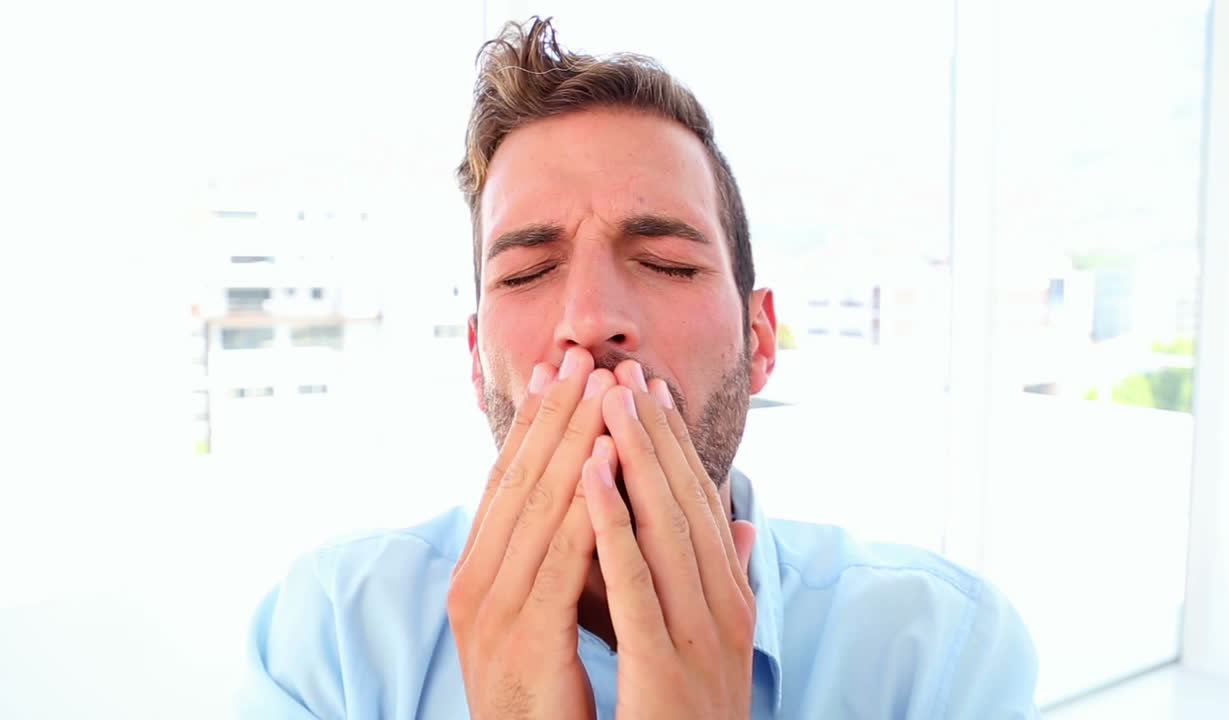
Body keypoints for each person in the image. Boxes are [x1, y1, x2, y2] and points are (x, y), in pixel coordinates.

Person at [240, 17, 1040, 719]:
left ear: (761, 340)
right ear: (478, 361)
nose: (590, 320)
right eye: (526, 273)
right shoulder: (331, 640)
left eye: (666, 263)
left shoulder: (941, 655)